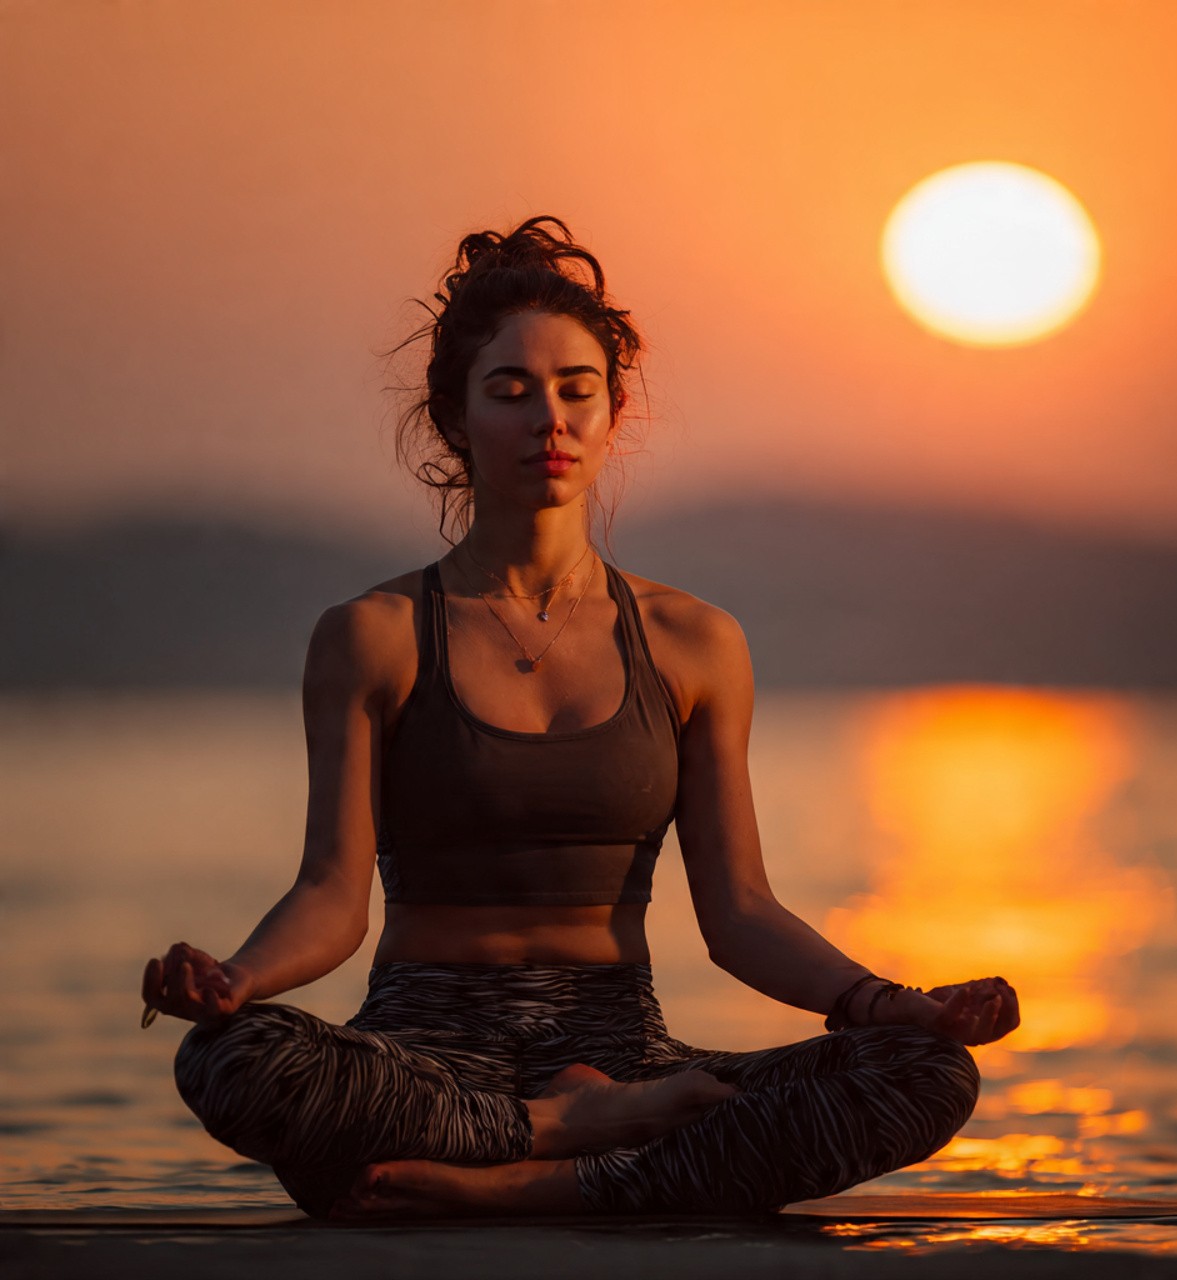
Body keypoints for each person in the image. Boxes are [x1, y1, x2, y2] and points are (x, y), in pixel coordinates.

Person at [141, 216, 1019, 1222]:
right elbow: (332, 895)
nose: (546, 418)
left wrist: (897, 1005)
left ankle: (530, 1177)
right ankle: (562, 1142)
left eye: (574, 390)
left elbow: (738, 912)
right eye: (509, 391)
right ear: (454, 416)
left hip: (626, 1057)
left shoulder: (693, 641)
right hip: (428, 1059)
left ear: (612, 412)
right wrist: (234, 979)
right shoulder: (373, 635)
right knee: (234, 1056)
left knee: (925, 1071)